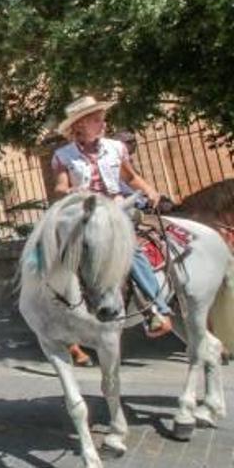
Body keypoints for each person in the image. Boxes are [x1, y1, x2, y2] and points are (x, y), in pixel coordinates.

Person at [51, 95, 173, 338]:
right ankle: (59, 306)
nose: (103, 124)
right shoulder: (63, 156)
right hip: (86, 211)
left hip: (117, 207)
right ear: (80, 125)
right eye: (97, 120)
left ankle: (156, 308)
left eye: (102, 119)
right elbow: (59, 188)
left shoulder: (116, 148)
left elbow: (130, 178)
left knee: (130, 249)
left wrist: (149, 190)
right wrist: (72, 191)